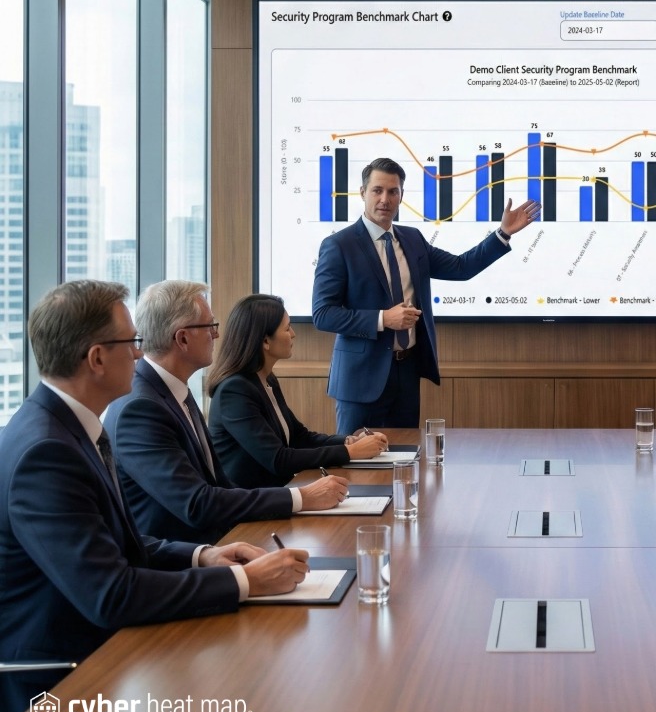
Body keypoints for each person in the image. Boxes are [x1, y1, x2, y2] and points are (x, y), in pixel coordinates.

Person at [0, 281, 309, 712]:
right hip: (61, 682)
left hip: (105, 648)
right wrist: (243, 581)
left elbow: (115, 541)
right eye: (132, 343)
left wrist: (204, 555)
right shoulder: (46, 452)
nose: (141, 354)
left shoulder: (67, 426)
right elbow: (112, 594)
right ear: (97, 358)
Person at [103, 281, 350, 543]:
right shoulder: (141, 408)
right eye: (210, 326)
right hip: (183, 559)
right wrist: (301, 498)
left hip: (219, 539)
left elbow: (219, 484)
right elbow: (197, 504)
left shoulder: (174, 390)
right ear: (182, 338)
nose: (217, 335)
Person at [312, 156, 541, 432]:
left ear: (401, 196)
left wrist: (503, 233)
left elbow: (461, 267)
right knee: (358, 465)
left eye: (393, 191)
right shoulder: (339, 245)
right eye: (377, 190)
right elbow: (323, 314)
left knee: (404, 460)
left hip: (406, 373)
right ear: (363, 193)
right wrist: (384, 319)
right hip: (361, 379)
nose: (385, 199)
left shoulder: (412, 239)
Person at [208, 294, 388, 488]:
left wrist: (348, 441)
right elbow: (278, 459)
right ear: (265, 341)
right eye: (287, 328)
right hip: (252, 505)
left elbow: (299, 437)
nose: (293, 334)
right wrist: (350, 452)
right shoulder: (234, 392)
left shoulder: (266, 379)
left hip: (278, 494)